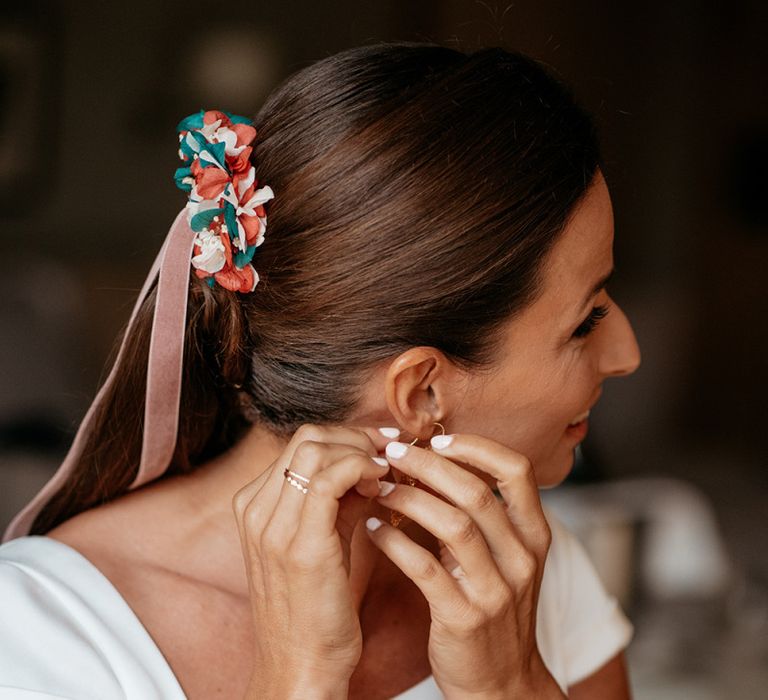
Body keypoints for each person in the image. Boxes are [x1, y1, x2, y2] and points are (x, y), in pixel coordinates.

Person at [0, 41, 641, 699]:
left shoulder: (516, 571)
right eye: (587, 319)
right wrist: (295, 684)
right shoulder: (40, 631)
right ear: (419, 392)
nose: (628, 353)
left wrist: (513, 686)